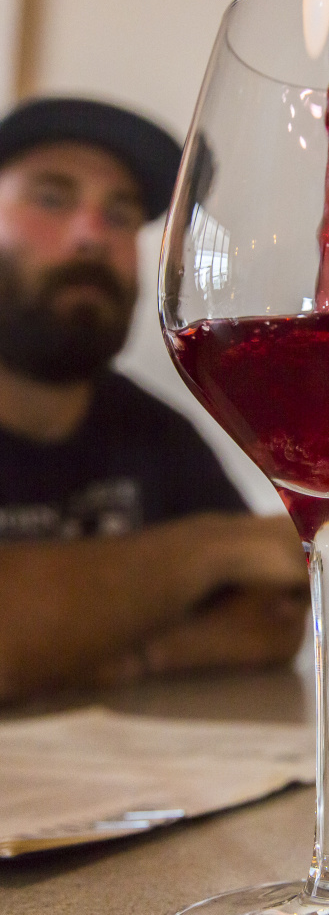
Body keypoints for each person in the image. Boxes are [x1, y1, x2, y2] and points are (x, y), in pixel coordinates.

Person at [0, 95, 310, 702]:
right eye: (52, 198)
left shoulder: (151, 431)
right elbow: (247, 550)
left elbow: (275, 614)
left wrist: (135, 656)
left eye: (121, 214)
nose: (92, 234)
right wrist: (212, 549)